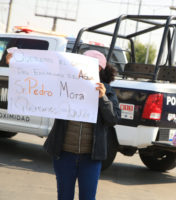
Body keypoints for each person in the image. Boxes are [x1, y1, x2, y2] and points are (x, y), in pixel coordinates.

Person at [43, 50, 121, 200]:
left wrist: (103, 98)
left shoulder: (107, 91)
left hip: (90, 159)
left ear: (100, 69)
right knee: (64, 196)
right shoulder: (64, 84)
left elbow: (113, 119)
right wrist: (17, 62)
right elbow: (39, 79)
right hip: (64, 155)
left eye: (92, 66)